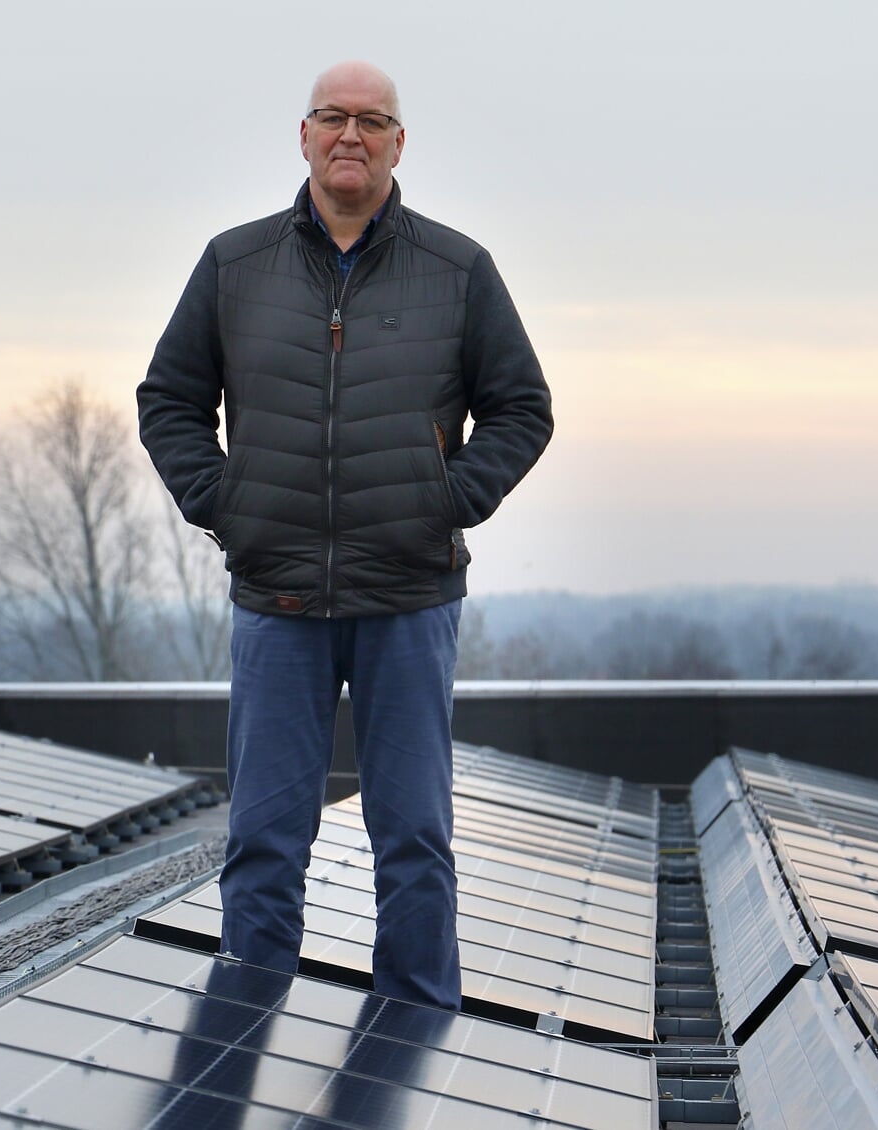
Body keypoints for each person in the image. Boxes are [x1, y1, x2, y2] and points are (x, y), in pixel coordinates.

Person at [137, 61, 553, 1009]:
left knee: (413, 841)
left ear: (400, 143)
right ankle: (243, 1043)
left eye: (372, 121)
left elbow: (522, 410)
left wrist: (442, 501)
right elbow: (167, 401)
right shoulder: (233, 265)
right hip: (276, 599)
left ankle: (413, 1053)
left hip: (408, 598)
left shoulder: (459, 270)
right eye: (334, 117)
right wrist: (226, 501)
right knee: (265, 839)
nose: (351, 135)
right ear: (305, 135)